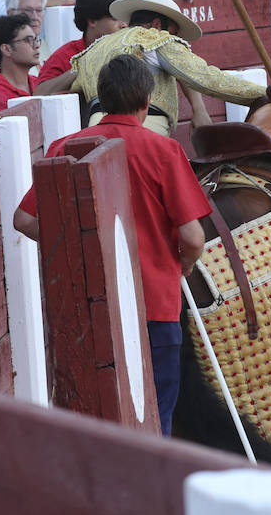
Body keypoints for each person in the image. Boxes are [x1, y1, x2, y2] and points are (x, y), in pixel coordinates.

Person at [15, 54, 209, 434]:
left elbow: (24, 220)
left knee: (92, 420)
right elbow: (193, 237)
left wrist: (75, 243)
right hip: (153, 302)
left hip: (85, 304)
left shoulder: (66, 146)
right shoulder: (164, 150)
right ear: (146, 99)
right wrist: (182, 265)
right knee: (155, 420)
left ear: (100, 99)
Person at [60, 0, 266, 135]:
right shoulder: (154, 37)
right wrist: (265, 94)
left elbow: (65, 88)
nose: (173, 38)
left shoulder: (96, 48)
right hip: (144, 127)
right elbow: (206, 78)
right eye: (173, 32)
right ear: (158, 24)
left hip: (96, 131)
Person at [37, 0, 125, 82]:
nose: (124, 25)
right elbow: (40, 92)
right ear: (92, 20)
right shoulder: (65, 56)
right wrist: (80, 68)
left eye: (125, 18)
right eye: (115, 19)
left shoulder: (132, 51)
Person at [0, 12, 40, 116]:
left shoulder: (38, 83)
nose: (36, 45)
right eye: (28, 40)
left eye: (35, 40)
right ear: (6, 49)